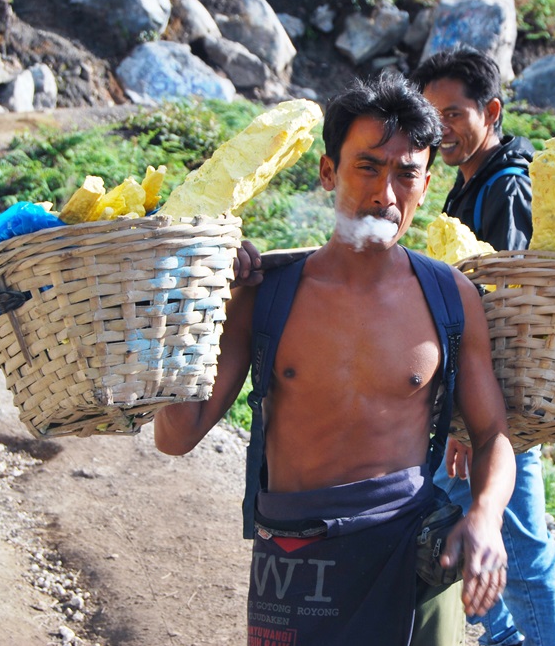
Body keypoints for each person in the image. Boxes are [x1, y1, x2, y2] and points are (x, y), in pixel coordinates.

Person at [153, 71, 516, 646]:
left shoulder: (451, 298)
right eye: (367, 167)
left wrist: (487, 518)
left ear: (425, 185)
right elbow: (176, 436)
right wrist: (194, 305)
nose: (386, 194)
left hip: (410, 561)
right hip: (298, 564)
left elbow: (493, 433)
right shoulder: (267, 293)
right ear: (328, 172)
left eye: (406, 174)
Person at [411, 47, 555, 646]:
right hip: (479, 402)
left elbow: (499, 312)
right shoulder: (473, 182)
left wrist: (469, 425)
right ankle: (505, 638)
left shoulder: (505, 187)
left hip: (498, 402)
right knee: (439, 514)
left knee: (521, 547)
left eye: (454, 113)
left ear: (492, 110)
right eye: (432, 115)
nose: (441, 128)